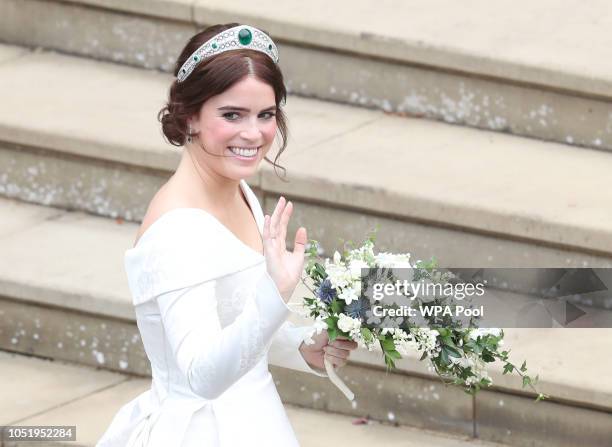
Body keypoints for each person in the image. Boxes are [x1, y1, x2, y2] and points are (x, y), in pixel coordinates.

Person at [97, 23, 358, 446]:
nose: (253, 134)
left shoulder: (238, 190)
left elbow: (232, 319)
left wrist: (301, 346)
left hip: (255, 420)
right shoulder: (177, 231)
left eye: (266, 115)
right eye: (232, 114)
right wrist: (275, 293)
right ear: (189, 115)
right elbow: (202, 374)